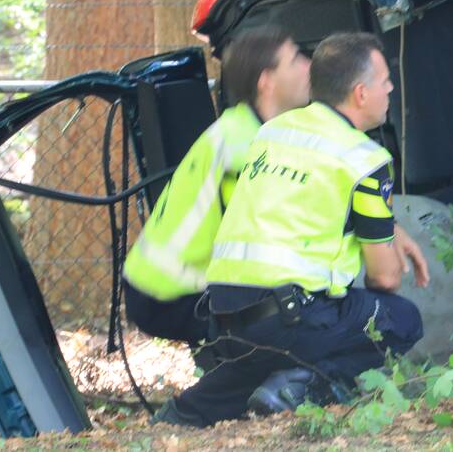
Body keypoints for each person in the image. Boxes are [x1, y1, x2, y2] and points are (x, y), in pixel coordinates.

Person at [153, 32, 429, 427]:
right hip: (290, 318)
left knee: (238, 379)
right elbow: (384, 278)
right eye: (385, 79)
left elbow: (296, 205)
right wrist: (381, 239)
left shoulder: (274, 132)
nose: (390, 88)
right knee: (401, 319)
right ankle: (299, 385)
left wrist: (388, 226)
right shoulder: (364, 158)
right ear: (361, 93)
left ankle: (181, 415)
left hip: (225, 318)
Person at [122, 25, 311, 360]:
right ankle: (225, 373)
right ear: (266, 80)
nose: (308, 65)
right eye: (295, 59)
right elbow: (265, 244)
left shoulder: (241, 127)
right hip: (171, 295)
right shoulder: (248, 146)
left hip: (154, 284)